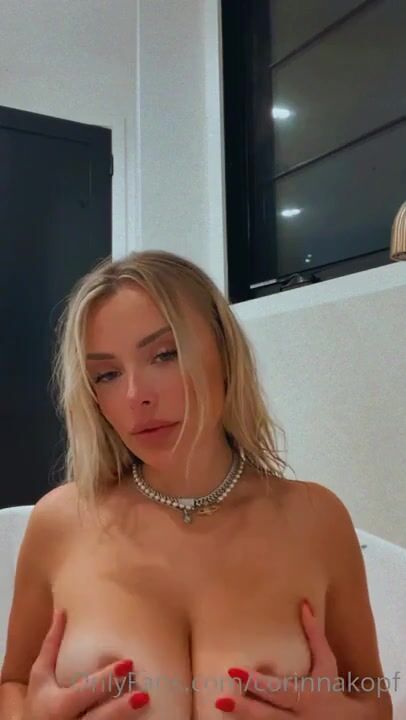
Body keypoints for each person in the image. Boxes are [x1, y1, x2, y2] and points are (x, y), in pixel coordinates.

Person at [0, 250, 392, 720]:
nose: (136, 395)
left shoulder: (316, 519)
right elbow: (14, 684)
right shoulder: (60, 522)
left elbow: (371, 695)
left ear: (224, 354)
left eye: (164, 354)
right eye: (107, 374)